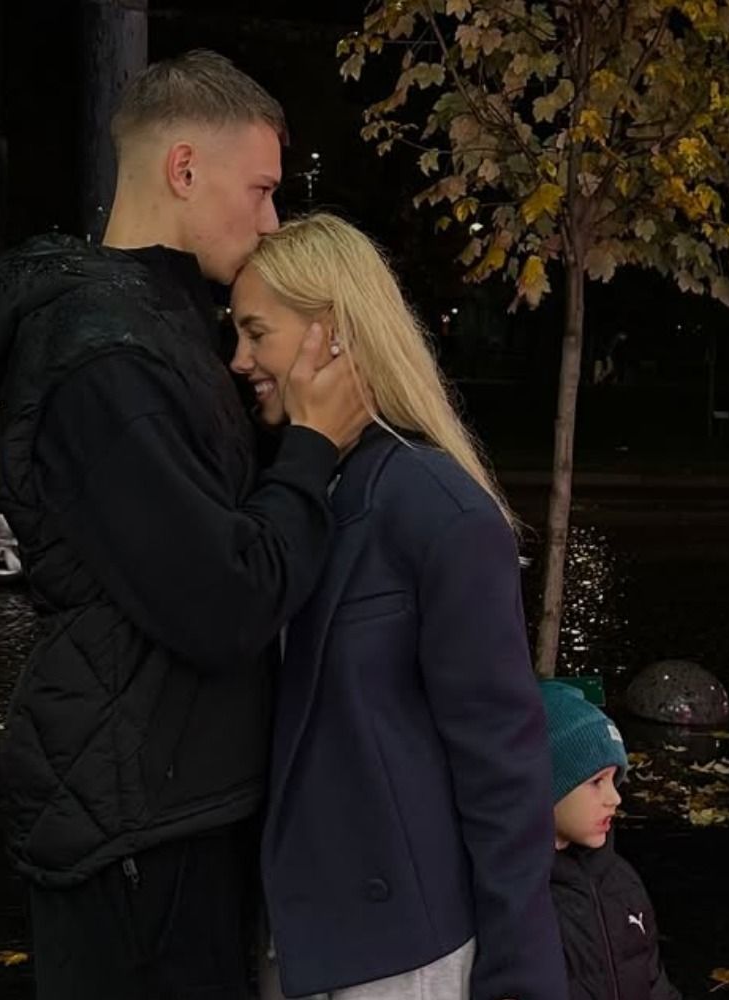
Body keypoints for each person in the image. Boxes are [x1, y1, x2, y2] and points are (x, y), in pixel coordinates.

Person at [0, 51, 371, 1000]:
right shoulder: (104, 358)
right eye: (261, 190)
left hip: (173, 798)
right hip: (136, 823)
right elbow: (225, 602)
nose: (272, 221)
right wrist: (312, 447)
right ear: (183, 169)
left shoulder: (168, 326)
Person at [232, 213, 567, 1000]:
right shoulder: (295, 490)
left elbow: (502, 762)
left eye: (255, 333)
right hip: (300, 940)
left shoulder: (436, 508)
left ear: (332, 334)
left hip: (400, 959)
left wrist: (520, 975)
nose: (238, 359)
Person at [540, 681, 683, 1000]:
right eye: (596, 782)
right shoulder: (521, 897)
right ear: (546, 787)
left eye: (614, 779)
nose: (615, 798)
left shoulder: (621, 881)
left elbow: (655, 984)